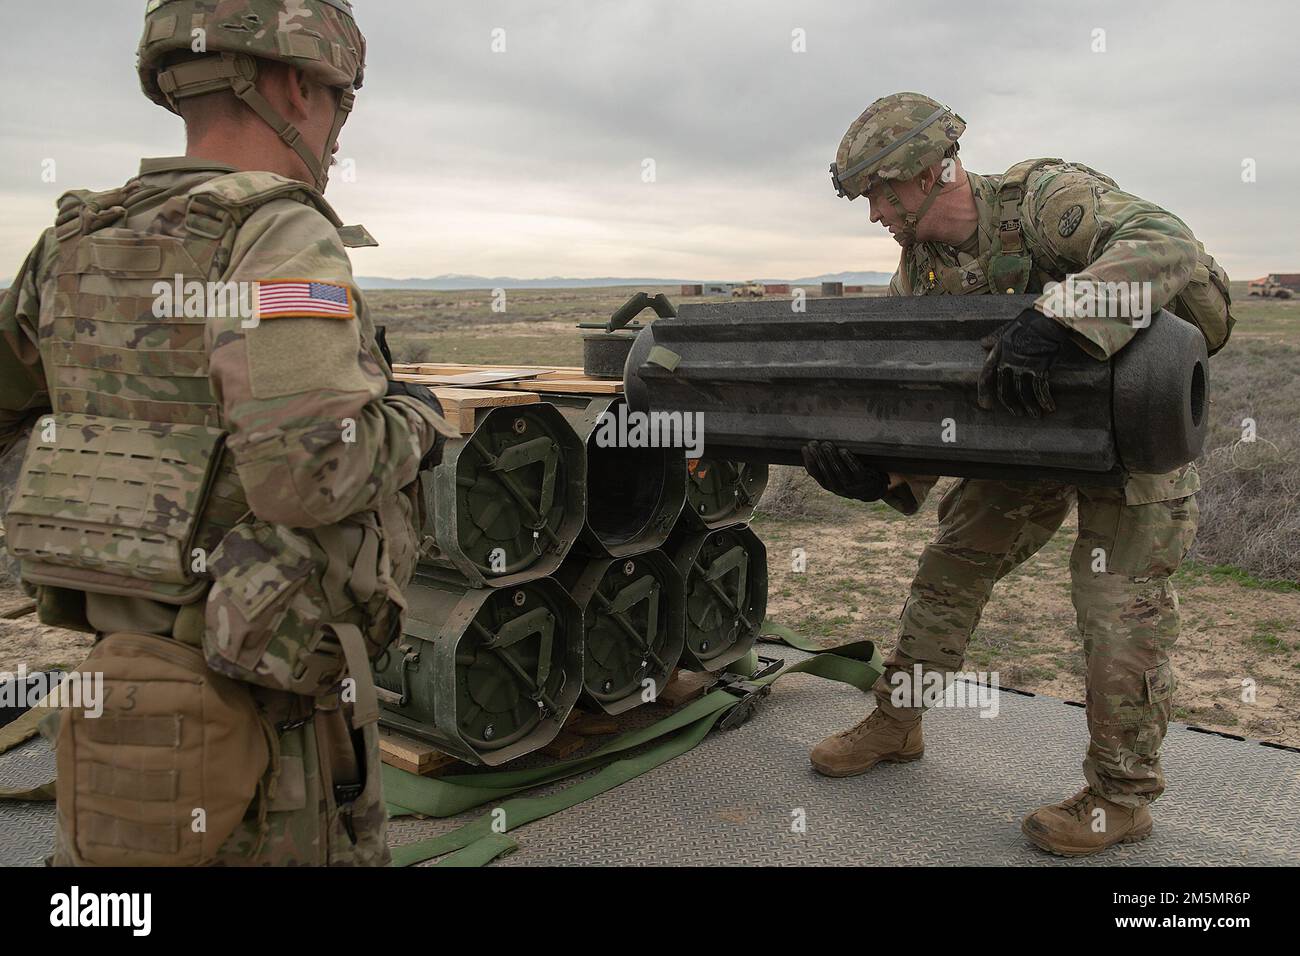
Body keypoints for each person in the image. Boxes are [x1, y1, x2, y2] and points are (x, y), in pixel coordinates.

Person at [0, 0, 456, 866]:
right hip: (267, 723)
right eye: (338, 101)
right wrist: (415, 423)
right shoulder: (278, 232)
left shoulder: (71, 244)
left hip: (122, 698)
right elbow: (308, 471)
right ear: (294, 84)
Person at [807, 91, 1233, 857]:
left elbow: (1168, 241)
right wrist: (877, 478)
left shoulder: (1044, 199)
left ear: (933, 172)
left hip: (1133, 433)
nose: (875, 212)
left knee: (1116, 612)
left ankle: (1120, 796)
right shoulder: (922, 275)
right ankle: (897, 722)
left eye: (882, 192)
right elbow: (922, 404)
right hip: (1028, 439)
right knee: (949, 569)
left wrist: (1056, 320)